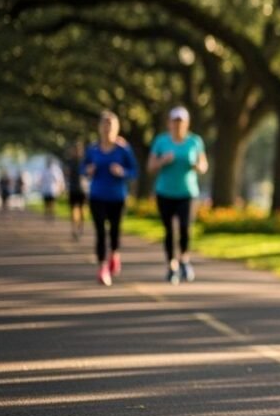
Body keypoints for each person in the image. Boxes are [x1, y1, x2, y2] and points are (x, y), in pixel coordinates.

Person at [146, 106, 208, 285]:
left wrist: (197, 166)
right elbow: (150, 167)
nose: (178, 125)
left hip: (187, 193)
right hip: (165, 192)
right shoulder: (161, 141)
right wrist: (162, 160)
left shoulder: (195, 141)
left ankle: (184, 260)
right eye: (175, 121)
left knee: (184, 228)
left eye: (181, 122)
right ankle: (171, 266)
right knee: (169, 231)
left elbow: (204, 165)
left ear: (187, 123)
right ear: (169, 123)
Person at [84, 111, 138, 286]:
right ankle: (102, 267)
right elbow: (82, 168)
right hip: (97, 195)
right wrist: (88, 170)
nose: (107, 129)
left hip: (117, 197)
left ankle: (114, 253)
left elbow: (134, 171)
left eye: (111, 126)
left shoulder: (124, 149)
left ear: (116, 128)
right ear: (99, 128)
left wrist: (122, 172)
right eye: (104, 125)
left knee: (114, 230)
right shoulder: (92, 149)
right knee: (100, 232)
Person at [65, 141, 88, 240]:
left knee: (82, 210)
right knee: (73, 210)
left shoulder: (85, 161)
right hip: (73, 189)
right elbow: (66, 174)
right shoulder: (70, 162)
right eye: (75, 149)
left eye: (78, 149)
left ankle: (81, 227)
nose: (76, 151)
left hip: (82, 189)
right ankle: (74, 229)